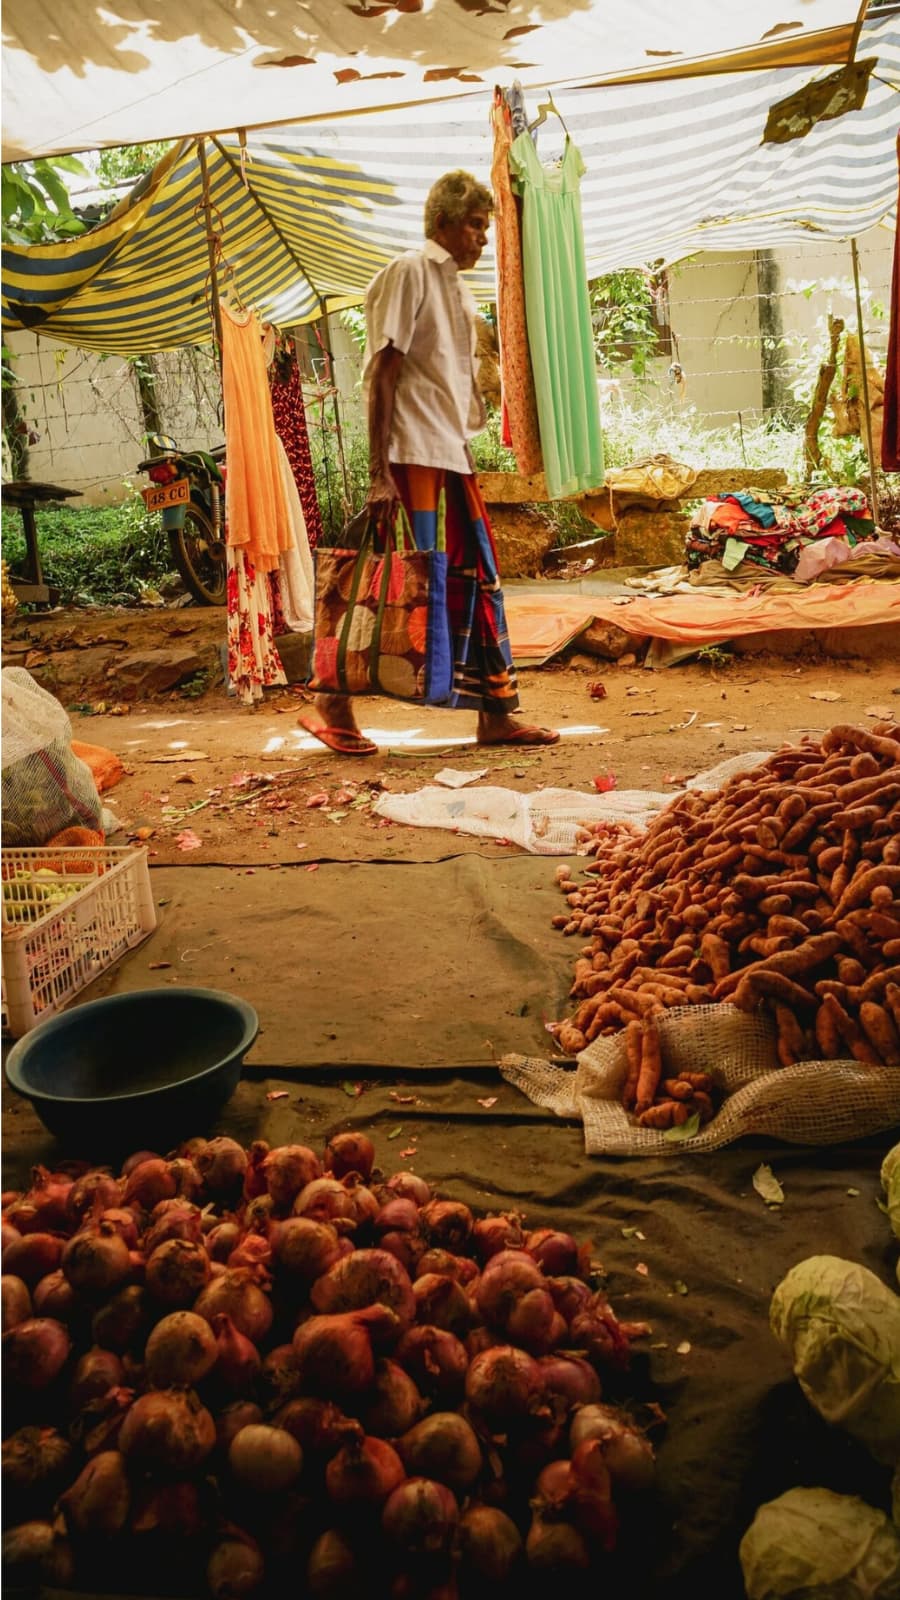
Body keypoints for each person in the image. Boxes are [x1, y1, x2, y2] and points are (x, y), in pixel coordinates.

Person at [300, 169, 559, 756]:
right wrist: (377, 472)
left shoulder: (458, 289)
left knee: (474, 583)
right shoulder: (409, 272)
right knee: (387, 586)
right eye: (475, 225)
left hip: (448, 456)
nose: (483, 239)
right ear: (443, 221)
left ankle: (495, 714)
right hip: (409, 459)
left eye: (485, 227)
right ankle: (329, 708)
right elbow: (381, 374)